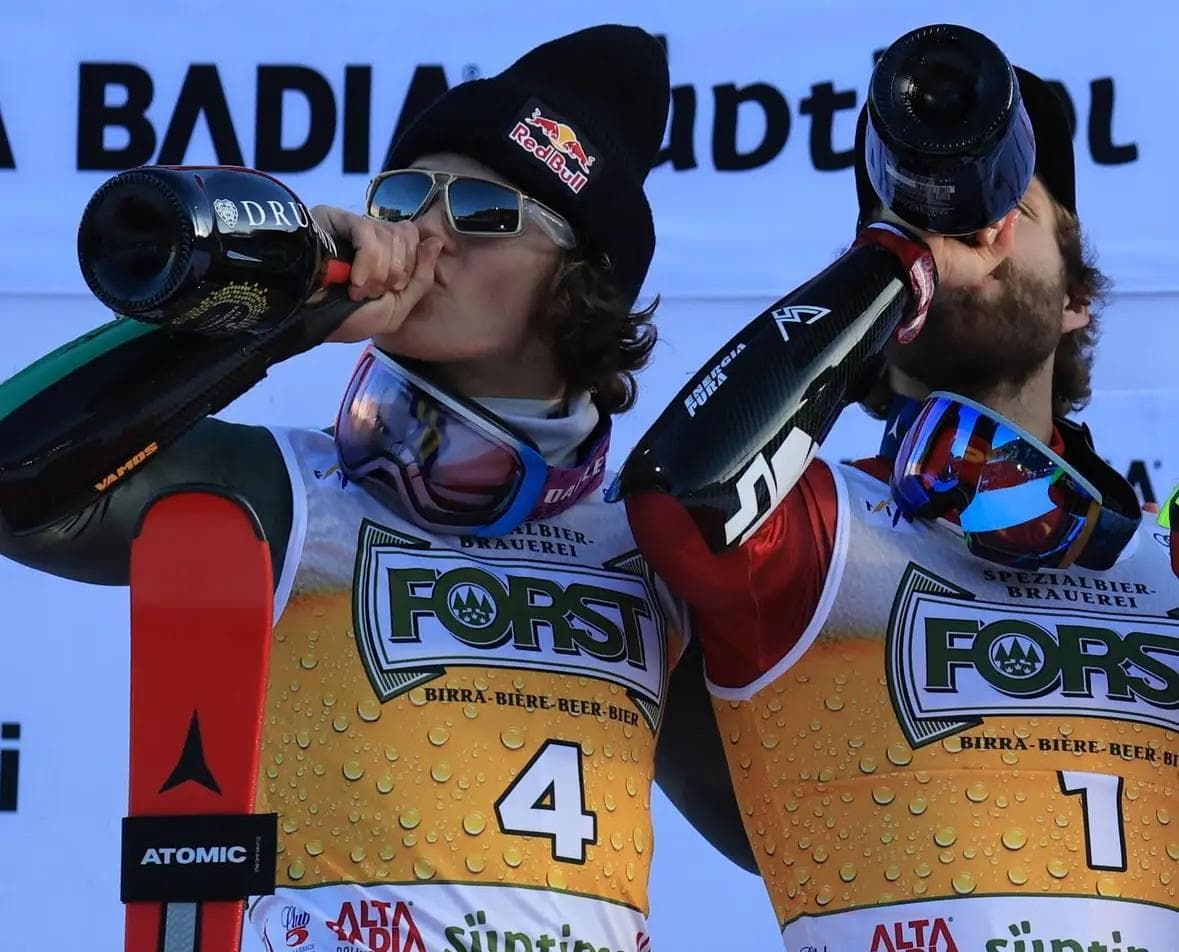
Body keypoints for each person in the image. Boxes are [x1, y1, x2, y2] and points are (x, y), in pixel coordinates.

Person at [0, 24, 750, 951]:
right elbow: (15, 483)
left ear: (581, 281)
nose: (421, 231)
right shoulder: (288, 487)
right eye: (403, 196)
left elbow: (776, 834)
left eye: (479, 210)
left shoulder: (649, 548)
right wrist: (281, 302)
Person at [622, 59, 1179, 948]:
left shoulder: (1158, 560)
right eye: (923, 231)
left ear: (1077, 298)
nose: (971, 236)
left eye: (1013, 212)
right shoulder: (810, 530)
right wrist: (891, 269)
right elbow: (676, 502)